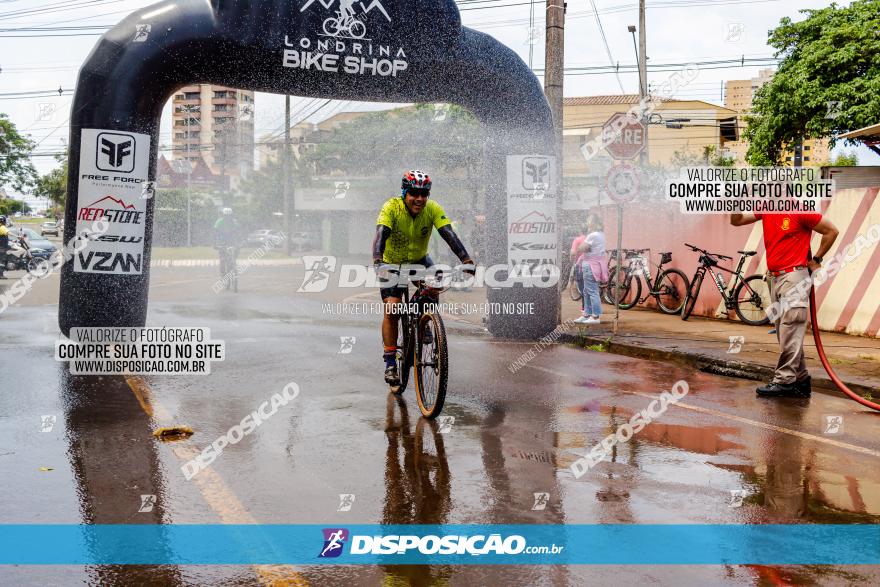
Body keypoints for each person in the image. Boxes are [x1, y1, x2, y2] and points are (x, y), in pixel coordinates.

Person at [373, 170, 475, 386]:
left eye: (424, 194)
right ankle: (391, 362)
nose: (419, 199)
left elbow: (448, 233)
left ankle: (425, 323)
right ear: (404, 192)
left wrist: (466, 260)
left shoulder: (433, 209)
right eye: (414, 193)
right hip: (391, 263)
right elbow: (381, 234)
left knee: (436, 282)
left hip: (419, 260)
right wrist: (377, 261)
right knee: (392, 309)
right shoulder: (391, 207)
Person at [730, 211, 838, 398]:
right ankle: (801, 380)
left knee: (790, 328)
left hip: (794, 277)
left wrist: (817, 260)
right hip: (775, 277)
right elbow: (737, 221)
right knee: (785, 332)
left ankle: (784, 381)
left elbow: (832, 231)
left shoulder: (800, 210)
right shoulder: (767, 209)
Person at [571, 214, 607, 324]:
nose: (587, 223)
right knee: (586, 291)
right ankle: (587, 314)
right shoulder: (600, 234)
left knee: (591, 291)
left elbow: (582, 248)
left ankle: (595, 316)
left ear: (593, 223)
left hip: (591, 265)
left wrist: (579, 247)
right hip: (593, 264)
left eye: (589, 221)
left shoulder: (593, 235)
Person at [213, 207, 241, 273]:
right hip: (222, 240)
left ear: (231, 215)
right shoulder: (219, 222)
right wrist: (214, 243)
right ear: (223, 215)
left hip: (231, 239)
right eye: (226, 216)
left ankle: (234, 264)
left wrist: (239, 243)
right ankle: (222, 273)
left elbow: (238, 232)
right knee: (222, 258)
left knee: (236, 251)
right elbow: (215, 233)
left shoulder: (234, 221)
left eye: (229, 216)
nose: (227, 218)